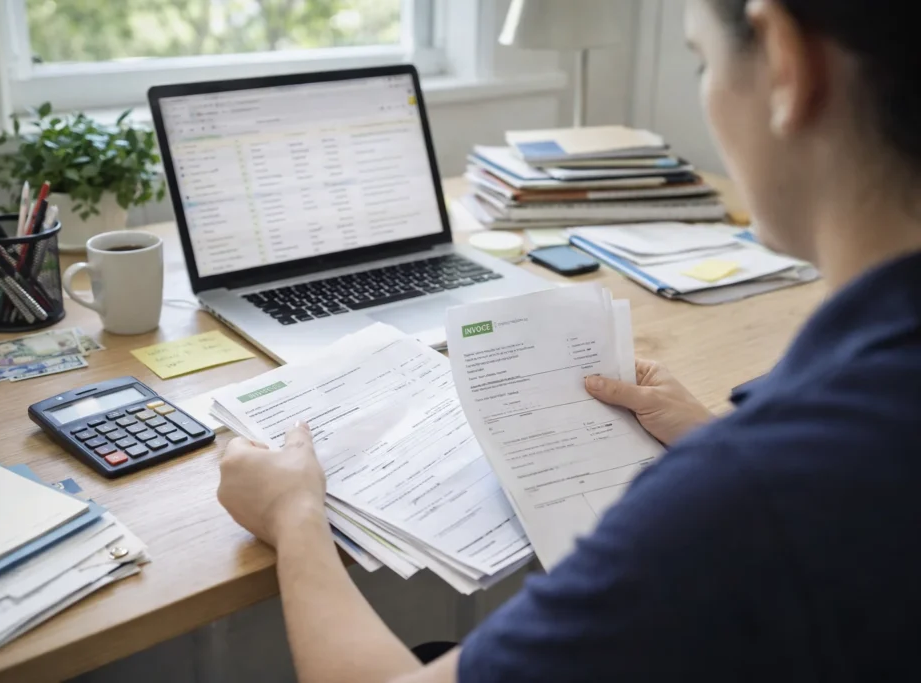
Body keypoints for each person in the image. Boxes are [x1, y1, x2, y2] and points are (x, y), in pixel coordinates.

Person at [216, 0, 921, 679]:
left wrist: (295, 513)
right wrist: (711, 435)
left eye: (700, 60)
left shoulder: (738, 502)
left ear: (785, 63)